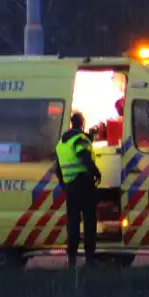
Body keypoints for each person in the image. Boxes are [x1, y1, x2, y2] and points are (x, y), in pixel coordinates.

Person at [55, 111, 103, 268]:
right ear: (82, 123)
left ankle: (72, 260)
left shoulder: (62, 143)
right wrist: (96, 172)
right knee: (89, 221)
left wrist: (65, 185)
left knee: (73, 223)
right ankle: (90, 259)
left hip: (71, 187)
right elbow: (84, 156)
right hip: (84, 185)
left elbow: (57, 169)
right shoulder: (80, 140)